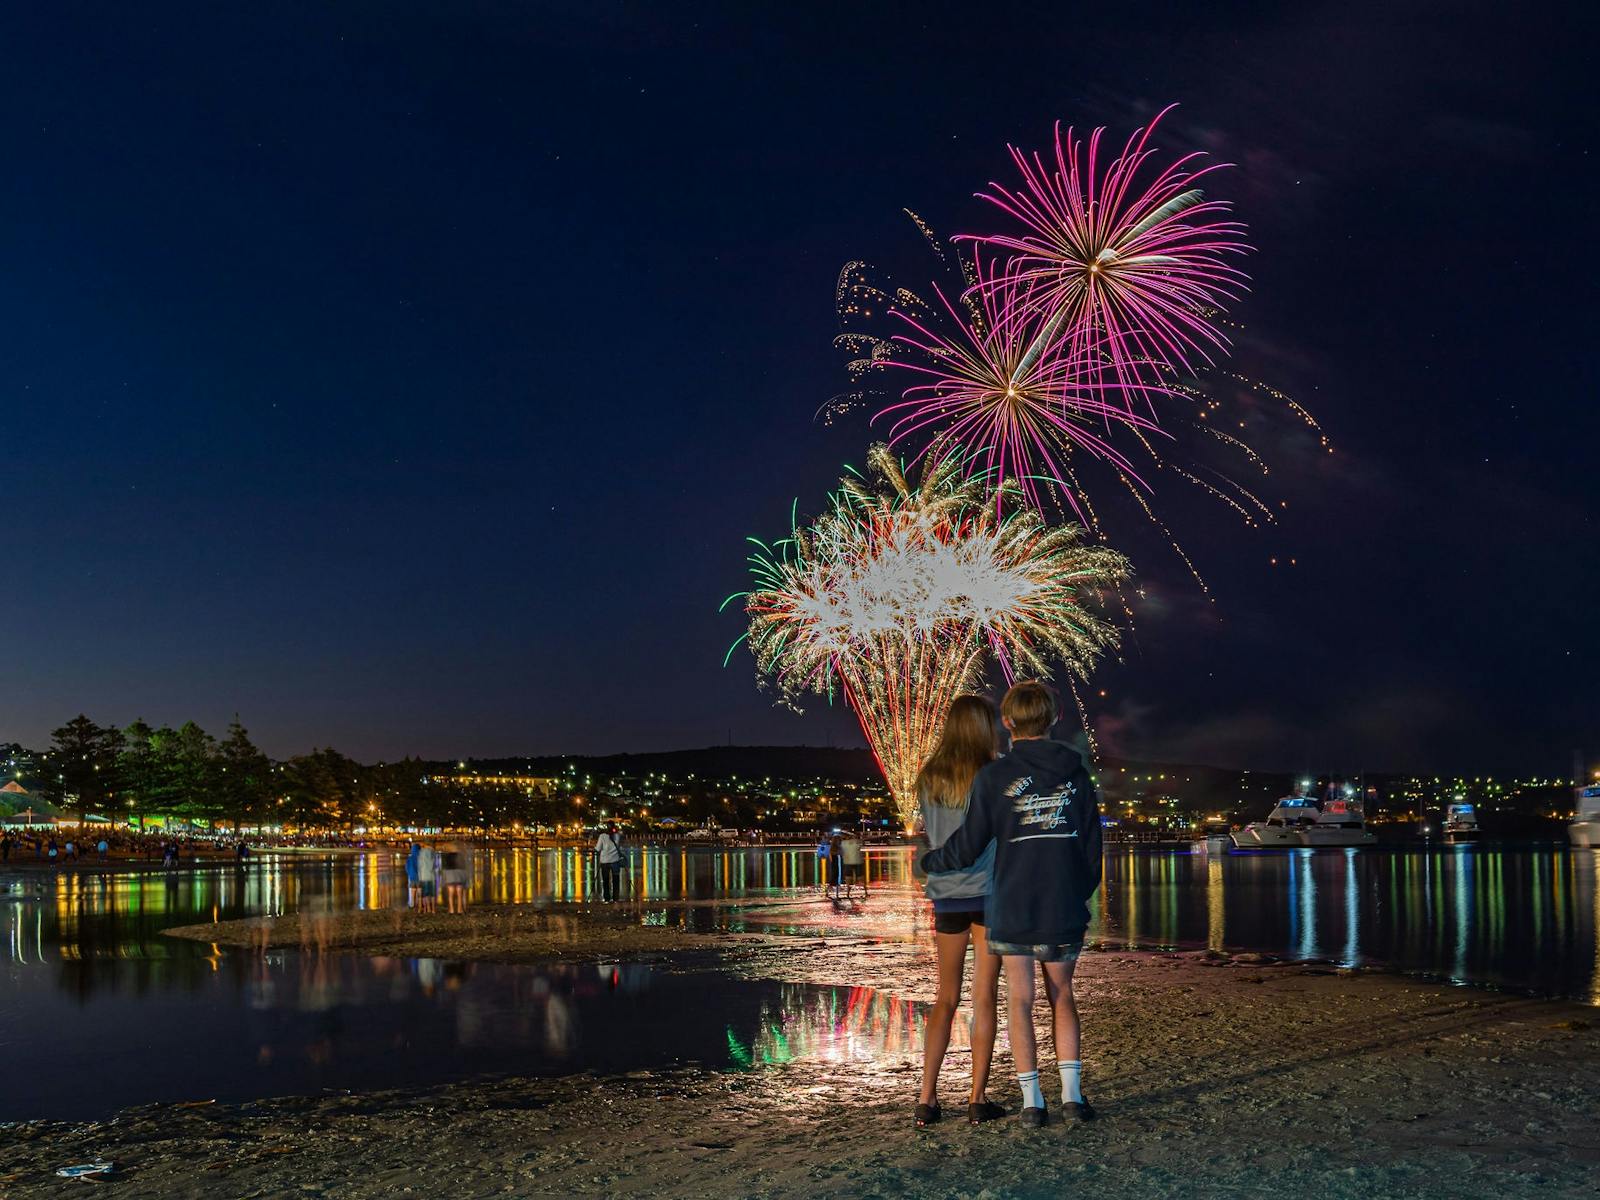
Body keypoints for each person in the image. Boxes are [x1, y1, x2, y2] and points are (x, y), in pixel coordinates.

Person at [920, 680, 1103, 1128]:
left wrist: (930, 862)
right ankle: (1061, 1099)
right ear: (1055, 717)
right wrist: (1078, 894)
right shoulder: (1073, 773)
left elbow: (965, 843)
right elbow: (1092, 847)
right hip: (1031, 899)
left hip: (992, 903)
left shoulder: (981, 777)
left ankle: (1023, 1103)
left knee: (1003, 999)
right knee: (1055, 996)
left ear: (1007, 722)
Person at [913, 695, 1004, 1128]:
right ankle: (976, 1098)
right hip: (988, 893)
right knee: (983, 995)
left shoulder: (928, 776)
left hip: (946, 895)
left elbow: (928, 837)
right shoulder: (993, 773)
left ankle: (927, 1099)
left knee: (945, 997)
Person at [594, 824, 624, 903]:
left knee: (606, 881)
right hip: (615, 861)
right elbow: (619, 846)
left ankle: (607, 898)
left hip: (605, 861)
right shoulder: (617, 836)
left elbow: (598, 848)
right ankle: (615, 899)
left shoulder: (602, 836)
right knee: (616, 880)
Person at [839, 831, 865, 899]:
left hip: (847, 862)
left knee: (848, 879)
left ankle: (848, 893)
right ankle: (866, 892)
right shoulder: (857, 842)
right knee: (861, 878)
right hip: (858, 861)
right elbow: (861, 843)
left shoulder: (843, 843)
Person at [415, 840, 437, 913]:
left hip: (423, 876)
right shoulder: (433, 853)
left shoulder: (421, 852)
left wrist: (419, 876)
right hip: (432, 876)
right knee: (432, 894)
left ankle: (427, 909)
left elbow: (419, 866)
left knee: (425, 894)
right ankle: (433, 909)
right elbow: (434, 865)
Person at [405, 842, 422, 909]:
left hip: (412, 877)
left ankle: (412, 904)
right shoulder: (421, 858)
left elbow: (407, 867)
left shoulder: (410, 858)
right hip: (420, 877)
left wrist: (409, 873)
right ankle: (419, 905)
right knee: (419, 892)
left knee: (413, 892)